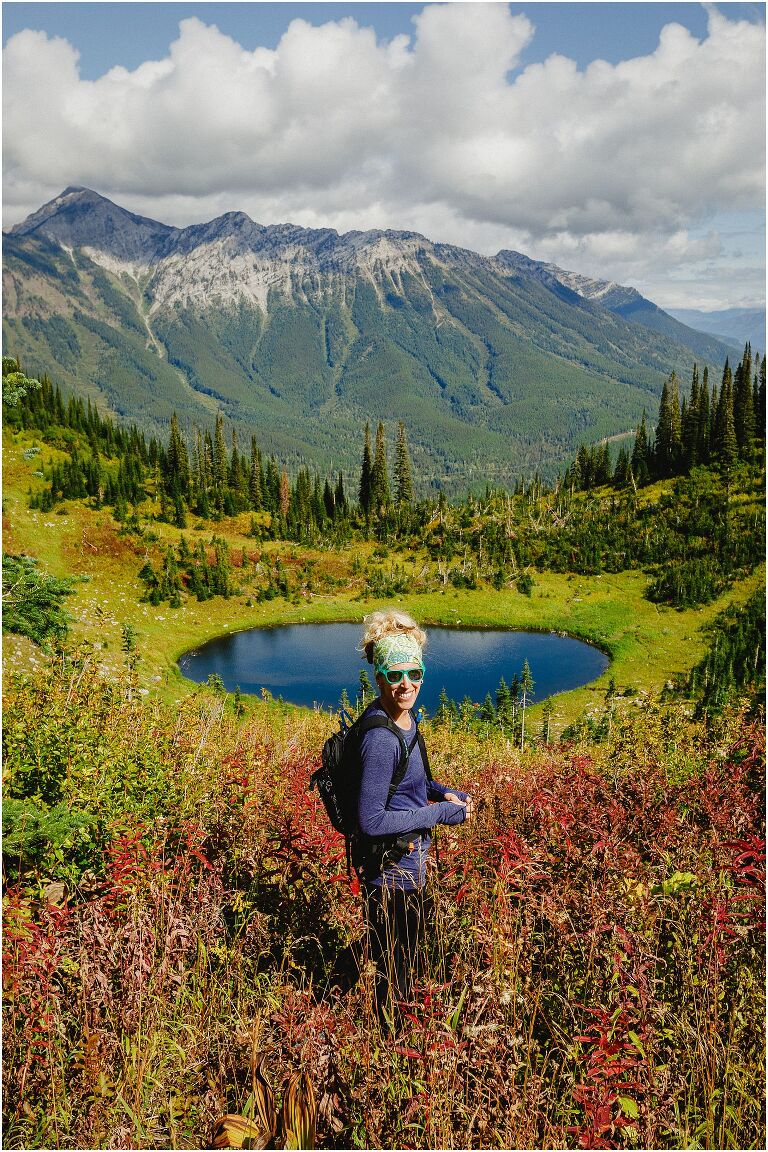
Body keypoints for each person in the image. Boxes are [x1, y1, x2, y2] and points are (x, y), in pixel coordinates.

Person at [355, 609, 473, 1027]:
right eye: (395, 674)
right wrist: (439, 813)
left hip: (407, 864)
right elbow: (370, 820)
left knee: (407, 950)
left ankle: (400, 1029)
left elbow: (408, 781)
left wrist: (443, 793)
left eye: (415, 673)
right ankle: (392, 1041)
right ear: (379, 677)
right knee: (397, 967)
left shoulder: (404, 720)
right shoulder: (380, 739)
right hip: (390, 875)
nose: (406, 684)